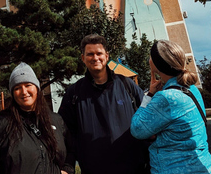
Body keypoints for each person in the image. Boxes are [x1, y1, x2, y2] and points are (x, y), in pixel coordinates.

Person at [58, 34, 148, 174]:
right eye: (90, 54)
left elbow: (147, 120)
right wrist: (67, 166)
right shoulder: (74, 94)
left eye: (99, 53)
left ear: (106, 56)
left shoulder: (127, 85)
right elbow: (66, 135)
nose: (95, 58)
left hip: (134, 169)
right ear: (83, 58)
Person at [130, 40, 211, 174]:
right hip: (205, 166)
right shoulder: (192, 89)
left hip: (176, 168)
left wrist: (149, 95)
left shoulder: (167, 97)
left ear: (156, 64)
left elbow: (137, 129)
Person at [0, 62, 72, 174]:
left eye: (28, 85)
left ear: (37, 88)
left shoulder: (56, 120)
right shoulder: (3, 122)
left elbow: (71, 150)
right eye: (17, 88)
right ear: (13, 93)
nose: (24, 92)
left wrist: (67, 170)